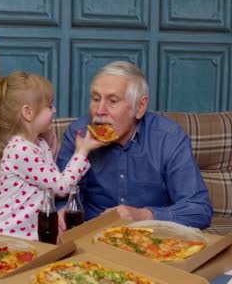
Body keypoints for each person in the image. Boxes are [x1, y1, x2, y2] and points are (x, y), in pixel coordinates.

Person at [56, 61, 213, 230]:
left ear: (140, 107)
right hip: (91, 235)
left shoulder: (169, 138)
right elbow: (62, 193)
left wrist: (144, 215)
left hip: (151, 237)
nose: (99, 110)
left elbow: (199, 209)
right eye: (95, 99)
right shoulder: (78, 134)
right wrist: (61, 211)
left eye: (113, 101)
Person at [0, 71, 100, 240]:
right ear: (28, 113)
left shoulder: (39, 144)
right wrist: (82, 151)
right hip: (6, 235)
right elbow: (61, 187)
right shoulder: (21, 151)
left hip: (28, 235)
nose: (54, 110)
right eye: (49, 106)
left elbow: (51, 181)